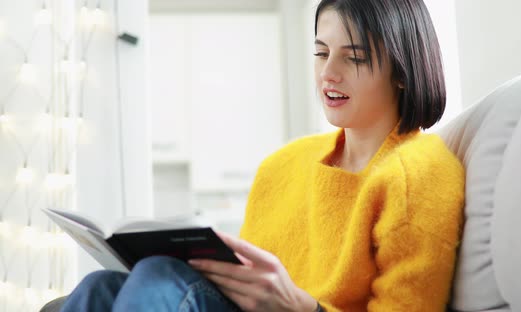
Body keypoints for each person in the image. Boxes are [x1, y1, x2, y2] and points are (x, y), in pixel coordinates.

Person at [60, 0, 464, 311]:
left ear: (402, 70)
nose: (329, 73)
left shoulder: (420, 176)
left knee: (157, 277)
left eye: (353, 57)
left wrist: (303, 307)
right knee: (98, 287)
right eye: (322, 53)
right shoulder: (283, 165)